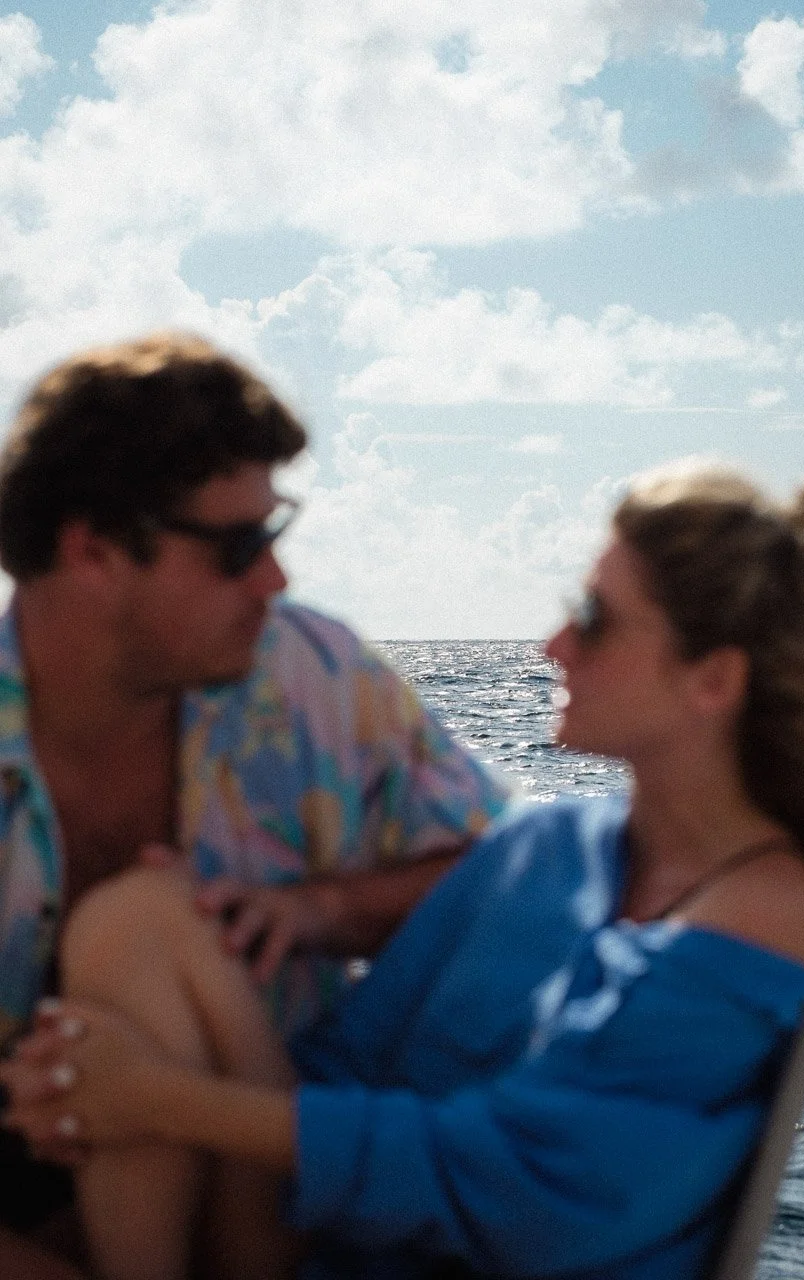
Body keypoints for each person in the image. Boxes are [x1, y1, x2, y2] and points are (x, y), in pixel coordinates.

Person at [4, 460, 804, 1280]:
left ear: (712, 680)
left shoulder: (762, 912)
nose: (554, 645)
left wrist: (156, 1099)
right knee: (145, 915)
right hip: (340, 1247)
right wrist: (108, 1102)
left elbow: (523, 1196)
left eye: (593, 618)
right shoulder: (549, 847)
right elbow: (353, 1060)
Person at [0, 333, 508, 1278]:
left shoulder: (313, 677)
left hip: (262, 1205)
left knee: (139, 921)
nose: (276, 580)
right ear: (92, 549)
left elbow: (495, 892)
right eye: (239, 548)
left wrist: (320, 911)